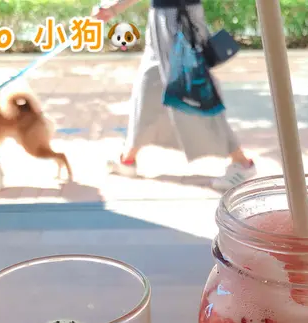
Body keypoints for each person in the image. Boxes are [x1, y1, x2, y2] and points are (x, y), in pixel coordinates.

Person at [95, 0, 257, 191]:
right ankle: (128, 158)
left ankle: (242, 163)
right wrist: (114, 8)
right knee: (149, 85)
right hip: (163, 17)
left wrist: (115, 8)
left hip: (179, 18)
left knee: (195, 95)